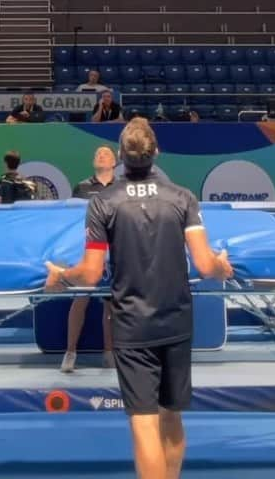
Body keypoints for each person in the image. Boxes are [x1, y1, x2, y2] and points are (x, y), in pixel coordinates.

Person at [46, 119, 232, 479]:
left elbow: (89, 273)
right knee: (171, 416)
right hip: (177, 321)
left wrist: (60, 276)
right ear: (156, 153)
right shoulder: (183, 198)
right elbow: (207, 266)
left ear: (120, 156)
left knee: (145, 424)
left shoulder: (103, 203)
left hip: (133, 324)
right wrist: (223, 267)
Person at [61, 146, 118, 373]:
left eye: (106, 153)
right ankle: (70, 352)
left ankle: (109, 353)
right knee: (81, 299)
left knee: (111, 305)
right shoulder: (82, 187)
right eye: (97, 154)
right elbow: (72, 223)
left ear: (115, 161)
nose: (101, 155)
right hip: (88, 253)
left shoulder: (122, 187)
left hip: (115, 253)